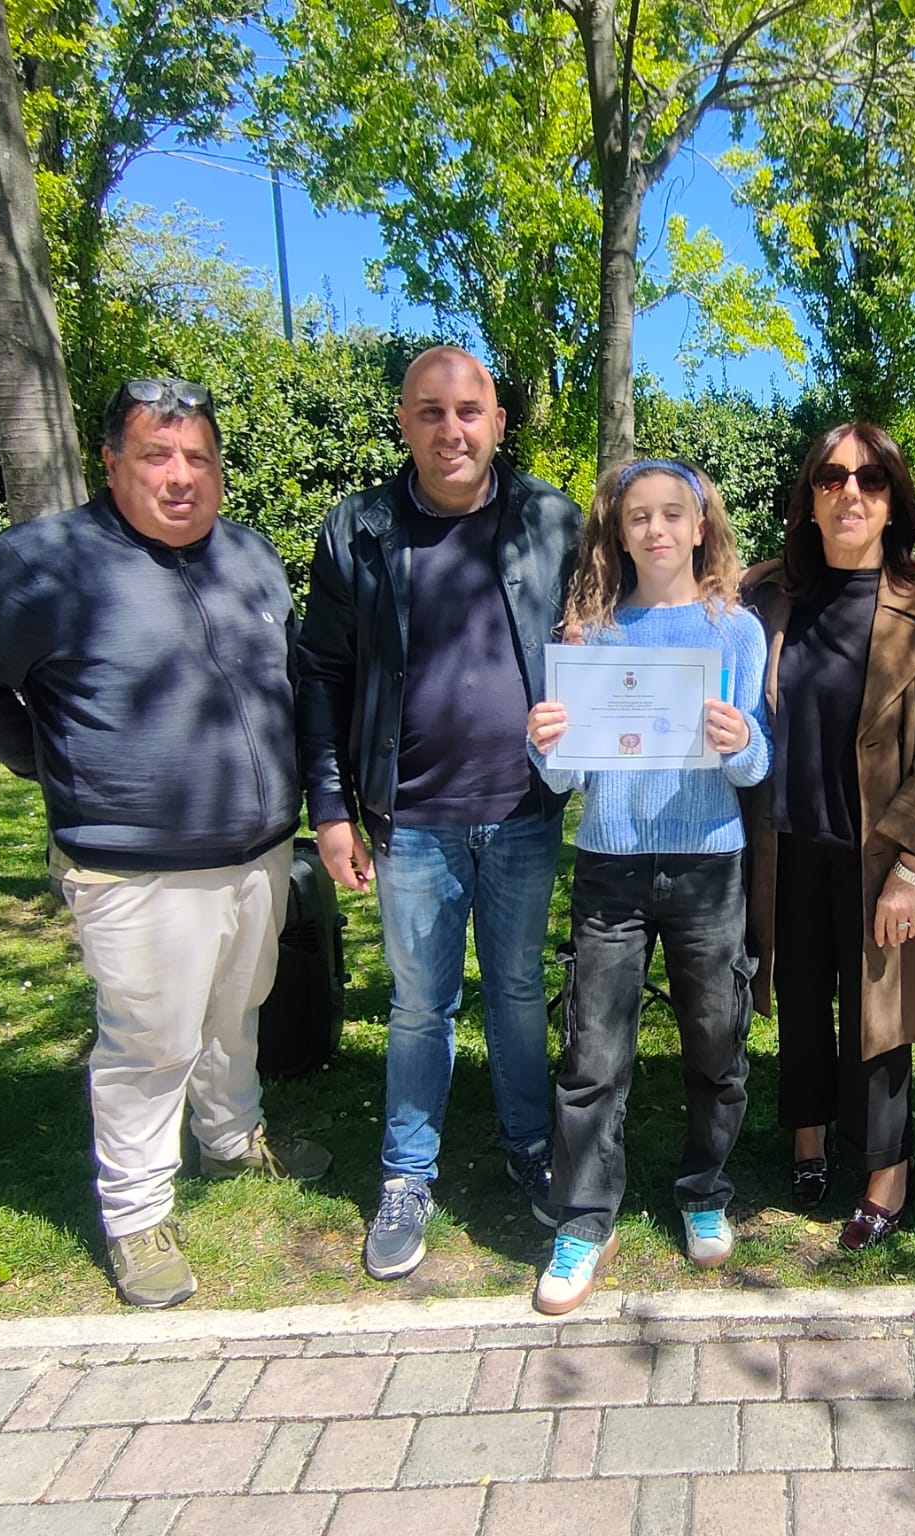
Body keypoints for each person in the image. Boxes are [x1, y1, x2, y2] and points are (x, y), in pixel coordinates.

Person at [0, 378, 331, 1309]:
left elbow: (291, 685)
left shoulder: (252, 557)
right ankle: (137, 1215)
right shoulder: (46, 561)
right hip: (134, 869)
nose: (181, 477)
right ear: (111, 462)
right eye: (156, 456)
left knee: (236, 1013)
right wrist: (53, 763)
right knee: (151, 1043)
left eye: (199, 458)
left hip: (259, 850)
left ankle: (231, 1141)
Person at [295, 347, 582, 1281]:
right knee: (420, 1005)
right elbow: (322, 672)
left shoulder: (550, 519)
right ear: (403, 421)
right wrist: (330, 807)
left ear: (497, 421)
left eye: (467, 411)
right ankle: (406, 1174)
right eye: (429, 411)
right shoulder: (361, 528)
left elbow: (596, 639)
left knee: (518, 992)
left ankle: (530, 1144)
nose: (450, 430)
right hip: (410, 817)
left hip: (523, 810)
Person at [522, 459, 769, 1313]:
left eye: (672, 514)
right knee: (593, 1052)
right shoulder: (589, 634)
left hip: (709, 863)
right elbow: (563, 779)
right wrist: (546, 742)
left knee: (716, 1040)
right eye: (638, 517)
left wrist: (740, 741)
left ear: (701, 527)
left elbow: (756, 765)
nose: (656, 529)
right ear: (618, 534)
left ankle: (704, 1191)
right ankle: (585, 1219)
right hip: (611, 864)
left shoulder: (736, 631)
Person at [742, 424, 915, 1253]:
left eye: (872, 479)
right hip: (785, 843)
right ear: (808, 497)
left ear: (894, 501)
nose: (851, 492)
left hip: (881, 853)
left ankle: (886, 1171)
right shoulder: (764, 596)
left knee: (880, 1017)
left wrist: (913, 869)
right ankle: (806, 1137)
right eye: (833, 477)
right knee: (802, 1000)